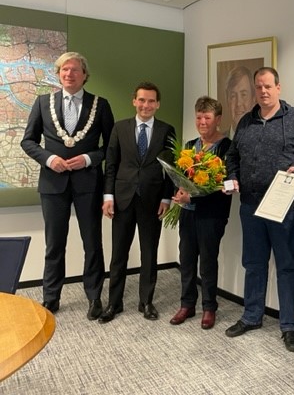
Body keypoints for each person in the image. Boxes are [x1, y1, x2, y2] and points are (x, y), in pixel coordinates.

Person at [224, 67, 294, 352]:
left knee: (287, 266)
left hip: (284, 207)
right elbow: (232, 155)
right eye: (259, 87)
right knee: (253, 263)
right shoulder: (246, 122)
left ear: (278, 87)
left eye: (268, 86)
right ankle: (252, 316)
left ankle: (289, 325)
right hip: (251, 205)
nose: (263, 92)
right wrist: (233, 177)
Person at [21, 51, 114, 319]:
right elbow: (28, 141)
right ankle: (51, 298)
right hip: (52, 184)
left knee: (92, 243)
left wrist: (87, 158)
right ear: (58, 74)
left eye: (74, 70)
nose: (69, 74)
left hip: (88, 184)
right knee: (54, 244)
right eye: (64, 70)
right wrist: (49, 159)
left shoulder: (101, 105)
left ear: (85, 75)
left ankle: (94, 297)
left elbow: (110, 147)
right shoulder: (42, 103)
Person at [99, 81, 176, 323]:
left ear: (158, 104)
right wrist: (108, 196)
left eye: (151, 101)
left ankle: (146, 301)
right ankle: (114, 303)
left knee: (149, 253)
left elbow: (171, 169)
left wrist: (166, 197)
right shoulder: (120, 128)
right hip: (122, 199)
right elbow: (110, 165)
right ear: (134, 101)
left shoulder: (166, 130)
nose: (146, 105)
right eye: (142, 100)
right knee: (119, 254)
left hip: (152, 201)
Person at [169, 96, 232, 330]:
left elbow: (228, 183)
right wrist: (179, 191)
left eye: (207, 117)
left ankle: (209, 307)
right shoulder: (189, 146)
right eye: (198, 117)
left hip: (212, 214)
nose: (202, 122)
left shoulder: (227, 147)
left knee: (207, 261)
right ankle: (187, 304)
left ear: (218, 119)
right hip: (187, 212)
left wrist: (194, 195)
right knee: (186, 259)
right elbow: (181, 176)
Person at [225, 66, 256, 138]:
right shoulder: (217, 144)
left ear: (253, 99)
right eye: (233, 96)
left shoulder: (263, 141)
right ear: (227, 101)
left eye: (244, 95)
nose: (238, 103)